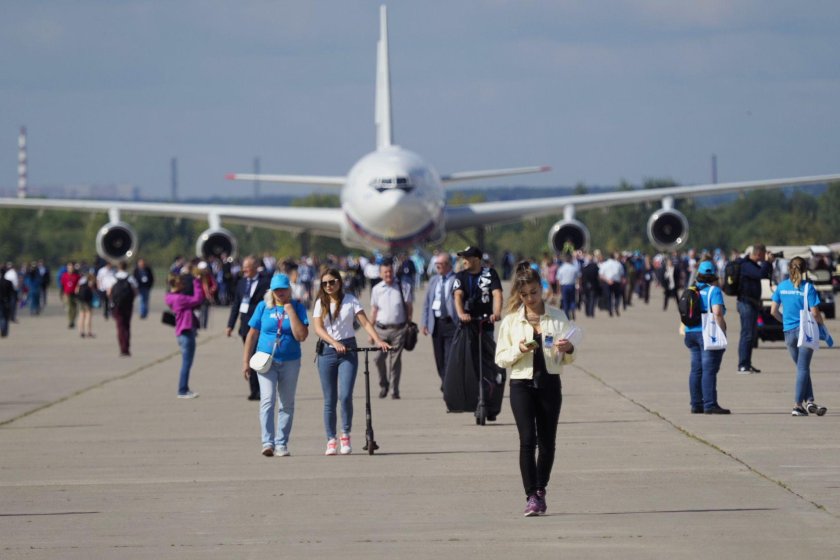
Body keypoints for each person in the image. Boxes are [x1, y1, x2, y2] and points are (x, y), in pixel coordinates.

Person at [494, 261, 577, 517]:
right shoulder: (511, 322)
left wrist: (569, 349)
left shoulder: (558, 316)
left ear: (541, 289)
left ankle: (541, 489)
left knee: (548, 442)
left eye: (534, 292)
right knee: (527, 440)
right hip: (521, 383)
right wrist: (519, 349)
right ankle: (531, 495)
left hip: (550, 383)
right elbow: (500, 358)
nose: (530, 298)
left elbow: (568, 356)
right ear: (519, 294)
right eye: (525, 294)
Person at [312, 269, 389, 456]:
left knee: (345, 395)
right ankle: (331, 439)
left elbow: (365, 323)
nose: (329, 286)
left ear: (339, 282)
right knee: (329, 399)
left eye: (332, 282)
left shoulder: (350, 300)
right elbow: (318, 328)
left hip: (348, 349)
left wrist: (378, 340)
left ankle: (345, 434)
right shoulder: (320, 303)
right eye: (325, 283)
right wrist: (334, 343)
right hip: (327, 351)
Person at [242, 273, 309, 457]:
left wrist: (290, 311)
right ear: (271, 291)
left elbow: (301, 336)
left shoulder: (297, 307)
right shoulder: (263, 307)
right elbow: (252, 334)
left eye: (283, 289)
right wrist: (245, 361)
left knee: (286, 403)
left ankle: (281, 443)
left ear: (289, 289)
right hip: (265, 361)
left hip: (290, 361)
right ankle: (267, 442)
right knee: (267, 400)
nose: (280, 293)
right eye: (276, 290)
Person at [770, 257, 828, 417]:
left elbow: (773, 311)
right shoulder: (808, 287)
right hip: (805, 331)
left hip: (788, 332)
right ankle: (797, 405)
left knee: (802, 368)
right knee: (803, 368)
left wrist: (785, 322)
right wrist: (823, 329)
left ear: (789, 269)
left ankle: (809, 401)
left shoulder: (781, 287)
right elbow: (815, 312)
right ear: (804, 270)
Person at [683, 260, 730, 414]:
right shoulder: (714, 291)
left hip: (690, 332)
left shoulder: (692, 289)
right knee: (709, 370)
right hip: (706, 333)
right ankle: (710, 404)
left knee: (696, 370)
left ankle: (696, 404)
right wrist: (722, 330)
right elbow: (717, 313)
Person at [227, 256, 271, 400]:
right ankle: (254, 390)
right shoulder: (241, 283)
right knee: (251, 358)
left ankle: (261, 389)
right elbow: (236, 305)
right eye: (244, 267)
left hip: (261, 325)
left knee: (259, 357)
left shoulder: (265, 282)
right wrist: (230, 325)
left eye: (247, 267)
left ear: (255, 267)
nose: (244, 270)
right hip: (245, 325)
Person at [369, 261, 413, 399]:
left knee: (395, 361)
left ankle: (395, 390)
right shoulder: (376, 289)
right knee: (378, 359)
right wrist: (371, 332)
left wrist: (409, 324)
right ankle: (384, 384)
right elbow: (374, 310)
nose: (388, 274)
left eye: (390, 271)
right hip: (381, 330)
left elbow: (409, 307)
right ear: (381, 274)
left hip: (398, 329)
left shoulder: (403, 286)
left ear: (393, 272)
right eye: (385, 272)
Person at [165, 272, 206, 398]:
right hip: (186, 332)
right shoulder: (180, 299)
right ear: (177, 284)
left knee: (186, 362)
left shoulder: (170, 297)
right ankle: (182, 390)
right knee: (186, 363)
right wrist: (197, 282)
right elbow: (198, 299)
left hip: (181, 333)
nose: (184, 286)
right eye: (182, 283)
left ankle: (185, 388)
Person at [421, 253, 457, 390]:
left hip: (451, 323)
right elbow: (426, 303)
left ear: (448, 265)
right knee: (439, 357)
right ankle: (444, 379)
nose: (437, 267)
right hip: (436, 323)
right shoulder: (434, 280)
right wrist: (424, 323)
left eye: (440, 265)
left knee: (449, 356)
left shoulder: (456, 279)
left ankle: (448, 383)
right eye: (436, 265)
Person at [736, 244, 772, 373]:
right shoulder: (746, 265)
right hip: (746, 303)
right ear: (758, 254)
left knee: (751, 335)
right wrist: (767, 262)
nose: (764, 257)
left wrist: (769, 263)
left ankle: (747, 363)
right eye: (763, 255)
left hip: (752, 303)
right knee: (747, 334)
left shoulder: (753, 265)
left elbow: (766, 274)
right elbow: (761, 274)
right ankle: (742, 365)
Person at [108, 261, 138, 357]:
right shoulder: (130, 278)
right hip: (128, 305)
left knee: (120, 327)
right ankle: (127, 348)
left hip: (117, 305)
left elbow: (109, 292)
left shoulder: (113, 278)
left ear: (118, 268)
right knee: (127, 326)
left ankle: (122, 348)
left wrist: (112, 300)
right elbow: (135, 291)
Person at [75, 272, 96, 338]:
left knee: (81, 316)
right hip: (87, 301)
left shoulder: (81, 281)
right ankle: (88, 332)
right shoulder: (90, 282)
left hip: (81, 300)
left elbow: (76, 291)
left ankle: (81, 331)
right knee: (88, 316)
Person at [60, 262, 81, 329]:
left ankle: (73, 319)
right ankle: (70, 321)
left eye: (72, 267)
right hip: (67, 293)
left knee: (74, 308)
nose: (70, 269)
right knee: (69, 307)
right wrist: (62, 294)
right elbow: (62, 285)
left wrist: (78, 288)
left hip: (75, 294)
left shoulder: (77, 276)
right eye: (69, 267)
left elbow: (79, 284)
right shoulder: (64, 275)